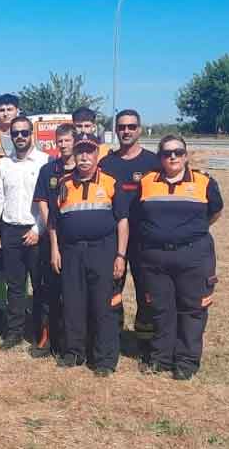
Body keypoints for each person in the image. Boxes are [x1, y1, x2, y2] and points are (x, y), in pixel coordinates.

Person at [134, 135, 222, 380]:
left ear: (186, 155)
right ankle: (161, 357)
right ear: (160, 157)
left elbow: (215, 211)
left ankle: (186, 361)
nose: (172, 157)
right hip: (156, 258)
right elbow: (139, 215)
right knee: (161, 308)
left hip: (193, 255)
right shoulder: (148, 181)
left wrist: (189, 232)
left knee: (192, 309)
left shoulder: (204, 181)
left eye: (178, 152)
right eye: (166, 153)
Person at [48, 133, 128, 377]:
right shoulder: (64, 183)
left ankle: (104, 359)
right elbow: (54, 221)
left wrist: (120, 256)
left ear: (97, 154)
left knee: (103, 306)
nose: (84, 156)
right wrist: (55, 249)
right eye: (80, 151)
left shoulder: (111, 183)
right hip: (71, 252)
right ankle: (74, 352)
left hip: (102, 251)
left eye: (89, 152)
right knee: (72, 304)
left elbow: (123, 221)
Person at [99, 109, 159, 360]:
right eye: (121, 127)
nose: (126, 131)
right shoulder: (106, 164)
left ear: (140, 129)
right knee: (112, 291)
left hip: (147, 240)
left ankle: (145, 343)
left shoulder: (154, 162)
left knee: (147, 293)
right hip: (114, 240)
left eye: (131, 127)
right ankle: (114, 337)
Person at [0, 116, 50, 350]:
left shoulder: (44, 162)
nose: (20, 137)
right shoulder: (4, 164)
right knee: (14, 286)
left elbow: (48, 203)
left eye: (24, 132)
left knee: (40, 286)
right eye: (16, 133)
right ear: (10, 136)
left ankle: (40, 334)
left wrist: (38, 229)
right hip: (10, 231)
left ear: (31, 133)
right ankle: (14, 332)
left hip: (36, 232)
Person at [29, 123, 77, 358]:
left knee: (73, 293)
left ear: (75, 142)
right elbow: (42, 202)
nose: (64, 145)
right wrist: (53, 227)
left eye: (68, 140)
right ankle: (46, 338)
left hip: (77, 243)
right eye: (60, 141)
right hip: (52, 240)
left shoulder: (85, 169)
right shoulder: (48, 170)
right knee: (48, 291)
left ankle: (70, 342)